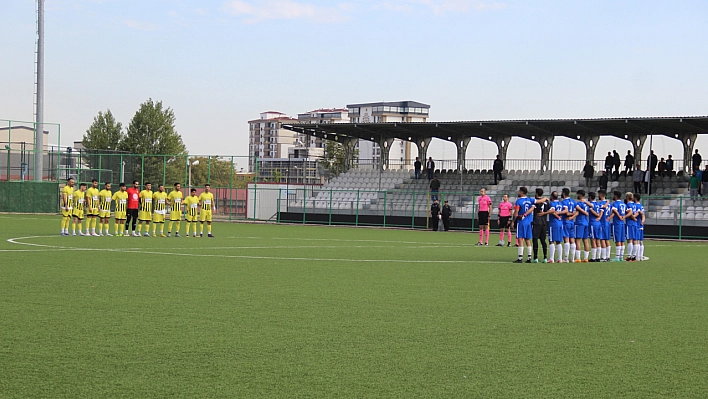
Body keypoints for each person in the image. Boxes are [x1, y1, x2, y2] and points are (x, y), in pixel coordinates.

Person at [513, 187, 535, 263]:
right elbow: (533, 207)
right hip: (529, 222)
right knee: (528, 239)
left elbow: (516, 212)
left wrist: (513, 221)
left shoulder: (518, 201)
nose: (518, 192)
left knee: (520, 239)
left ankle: (520, 258)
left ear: (522, 192)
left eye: (519, 191)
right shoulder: (530, 200)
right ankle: (529, 258)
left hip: (521, 222)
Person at [532, 188, 552, 263]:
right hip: (544, 222)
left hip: (537, 222)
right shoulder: (546, 201)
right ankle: (545, 257)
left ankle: (535, 257)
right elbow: (550, 210)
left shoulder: (535, 201)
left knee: (535, 239)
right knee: (543, 240)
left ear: (537, 193)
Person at [607, 190, 627, 262]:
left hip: (617, 223)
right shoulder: (623, 204)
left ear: (615, 196)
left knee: (617, 239)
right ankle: (621, 256)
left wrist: (609, 218)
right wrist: (623, 216)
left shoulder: (615, 204)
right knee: (622, 240)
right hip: (622, 223)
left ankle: (617, 257)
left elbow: (614, 211)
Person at [573, 190, 591, 263]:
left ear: (580, 195)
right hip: (586, 222)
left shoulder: (579, 203)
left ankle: (578, 258)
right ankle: (586, 258)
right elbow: (591, 206)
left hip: (579, 222)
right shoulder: (587, 203)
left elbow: (577, 212)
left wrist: (572, 216)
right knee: (586, 241)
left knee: (577, 240)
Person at [586, 192, 604, 262]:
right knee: (598, 240)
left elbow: (592, 211)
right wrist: (600, 216)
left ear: (590, 197)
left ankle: (593, 257)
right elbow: (602, 211)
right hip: (598, 223)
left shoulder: (591, 205)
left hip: (593, 223)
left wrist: (597, 215)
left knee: (593, 240)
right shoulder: (598, 204)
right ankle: (598, 257)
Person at [560, 188, 577, 263]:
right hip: (572, 222)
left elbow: (566, 213)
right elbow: (577, 211)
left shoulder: (564, 202)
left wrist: (569, 216)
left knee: (566, 239)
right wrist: (572, 217)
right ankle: (572, 258)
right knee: (572, 240)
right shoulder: (573, 201)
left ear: (563, 193)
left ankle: (566, 257)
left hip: (566, 221)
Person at [547, 192, 564, 263]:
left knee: (551, 241)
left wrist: (556, 216)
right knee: (558, 241)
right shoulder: (560, 203)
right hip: (560, 223)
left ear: (551, 196)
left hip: (554, 223)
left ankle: (551, 258)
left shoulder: (552, 203)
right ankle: (560, 258)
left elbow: (552, 211)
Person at [597, 189, 612, 262]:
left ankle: (603, 257)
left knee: (602, 239)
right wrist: (609, 218)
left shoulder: (601, 204)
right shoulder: (609, 204)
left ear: (601, 194)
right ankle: (608, 256)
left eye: (599, 194)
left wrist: (599, 217)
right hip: (607, 223)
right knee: (607, 239)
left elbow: (602, 211)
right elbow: (613, 212)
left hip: (602, 223)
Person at [624, 192, 638, 262]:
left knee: (629, 240)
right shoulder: (634, 204)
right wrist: (635, 218)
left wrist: (632, 217)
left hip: (630, 223)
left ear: (627, 197)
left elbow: (630, 212)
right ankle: (634, 256)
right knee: (635, 240)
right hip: (635, 224)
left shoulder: (628, 204)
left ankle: (629, 256)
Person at [632, 194, 645, 261]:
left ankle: (636, 256)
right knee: (641, 241)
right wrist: (642, 221)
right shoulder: (641, 206)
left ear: (635, 198)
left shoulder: (635, 206)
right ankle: (641, 256)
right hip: (641, 225)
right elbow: (643, 215)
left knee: (636, 241)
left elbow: (637, 214)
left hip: (636, 224)